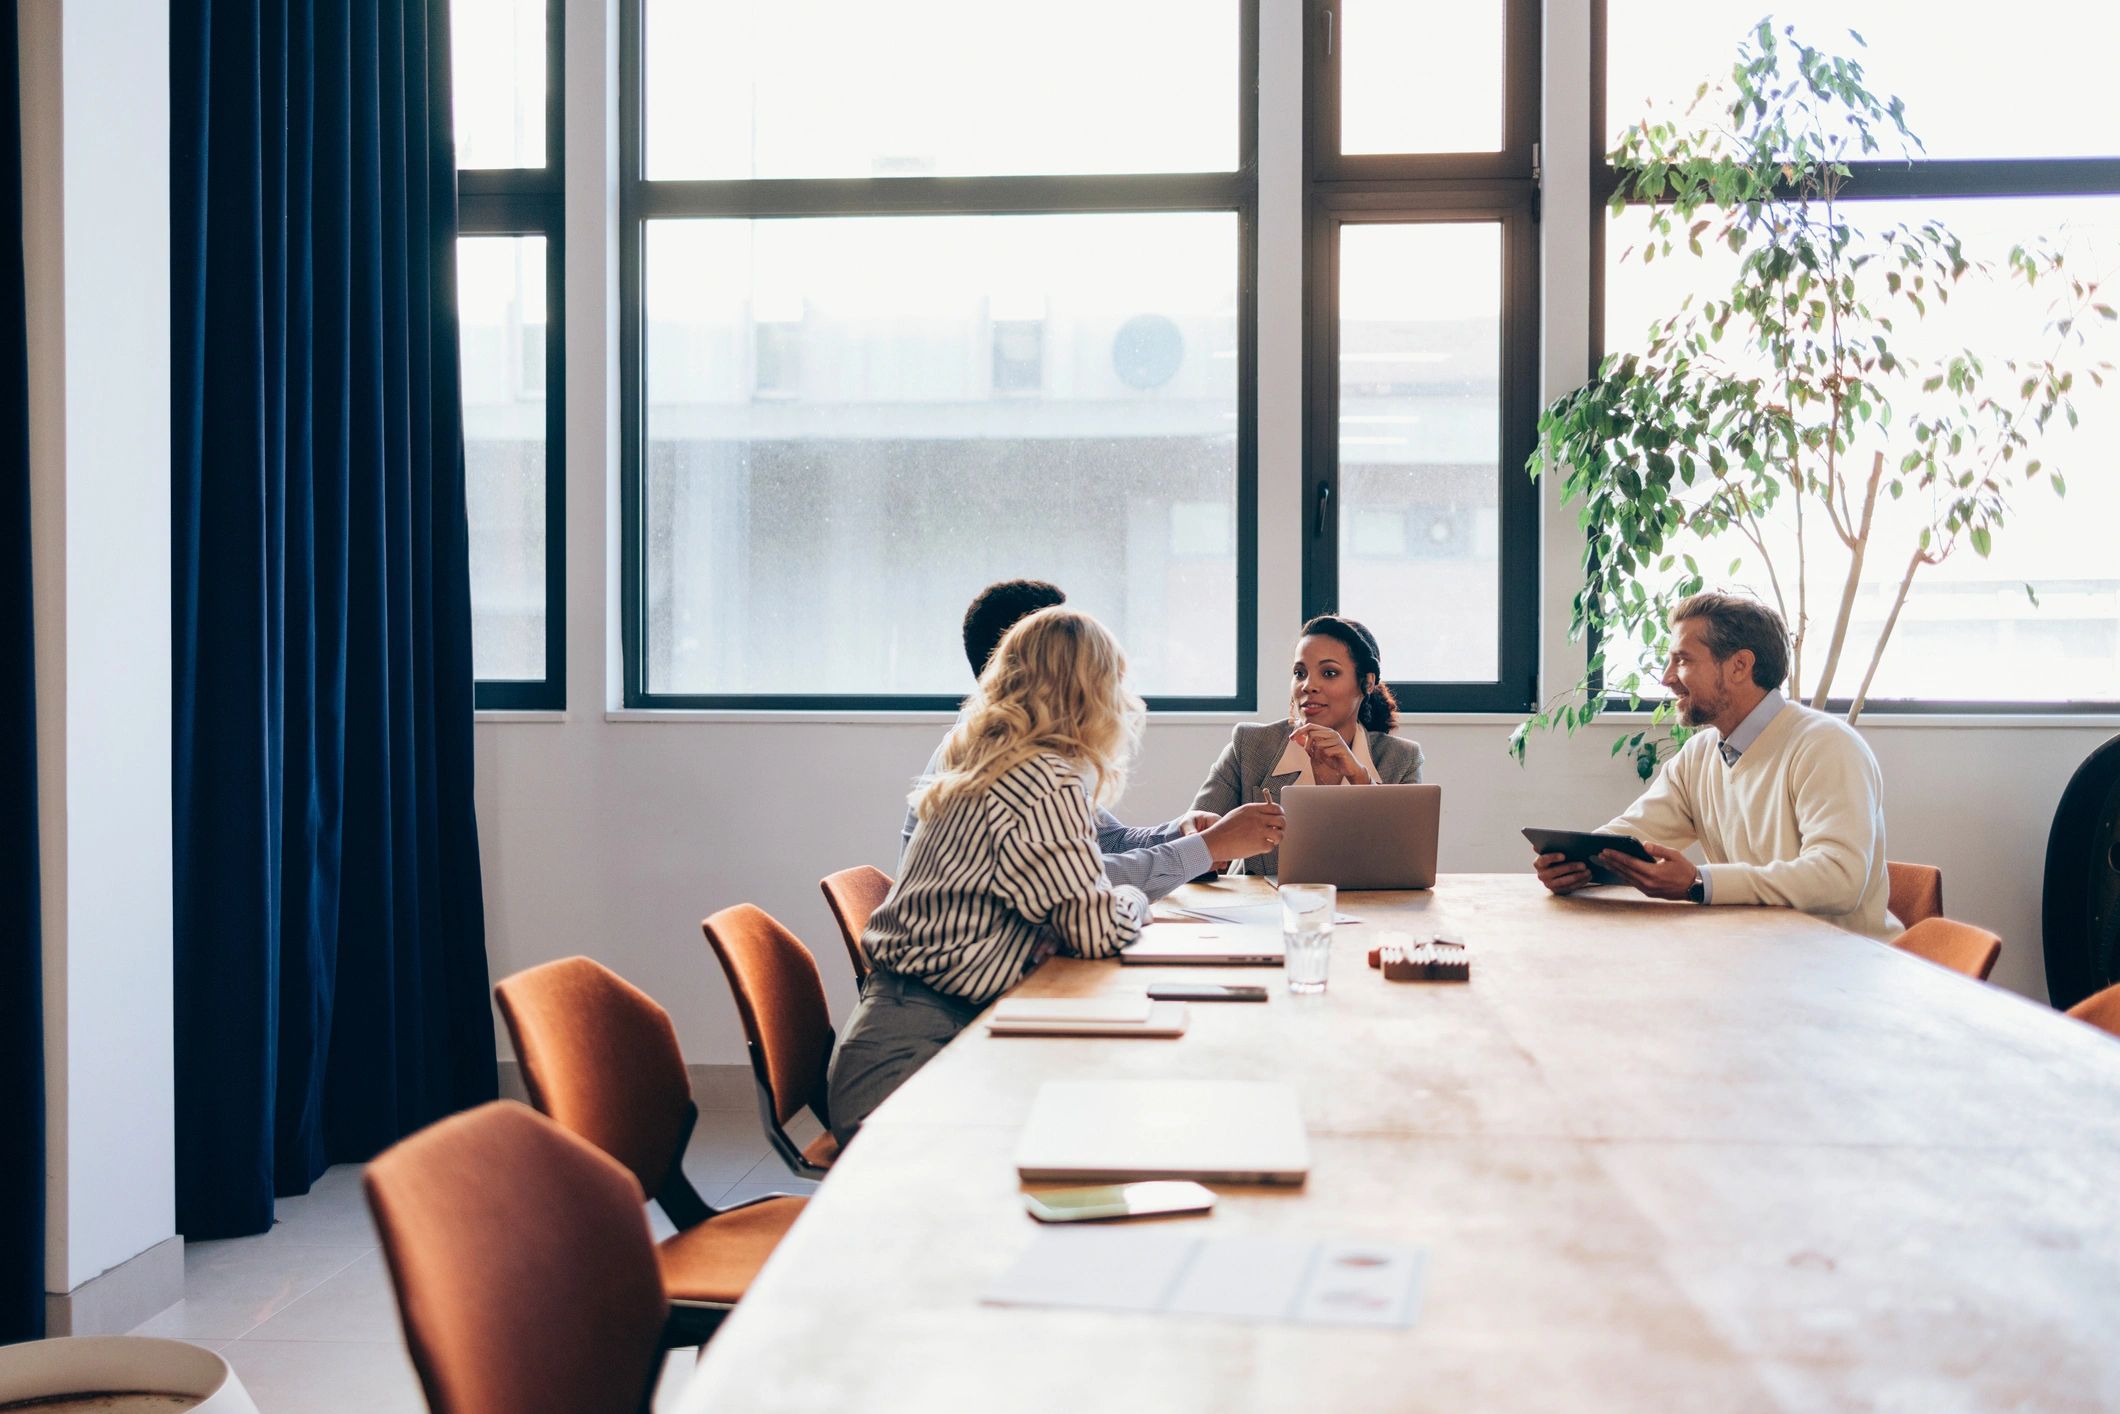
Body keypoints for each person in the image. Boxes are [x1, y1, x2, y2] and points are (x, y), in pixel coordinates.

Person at [829, 607, 1151, 1142]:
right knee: (1098, 1122)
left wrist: (1049, 928)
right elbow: (1095, 930)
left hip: (906, 1038)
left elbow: (1050, 909)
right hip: (908, 1073)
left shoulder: (987, 757)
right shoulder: (1044, 779)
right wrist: (1133, 897)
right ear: (1089, 692)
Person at [1532, 592, 1893, 941]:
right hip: (1757, 959)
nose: (1667, 677)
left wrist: (1698, 882)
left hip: (1844, 969)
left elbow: (1839, 879)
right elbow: (1632, 836)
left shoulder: (1826, 746)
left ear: (1739, 666)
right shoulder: (1700, 754)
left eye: (1683, 660)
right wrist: (1578, 864)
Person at [902, 580, 1284, 898]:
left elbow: (1106, 841)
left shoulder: (1027, 750)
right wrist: (1207, 848)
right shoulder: (993, 758)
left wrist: (1179, 830)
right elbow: (1085, 881)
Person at [1190, 614, 1425, 877]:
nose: (1309, 686)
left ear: (1366, 682)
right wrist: (1210, 843)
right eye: (1299, 673)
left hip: (1362, 912)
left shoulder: (1401, 759)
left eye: (1329, 673)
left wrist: (1359, 778)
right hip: (1261, 910)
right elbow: (1190, 846)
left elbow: (1404, 866)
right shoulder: (1250, 746)